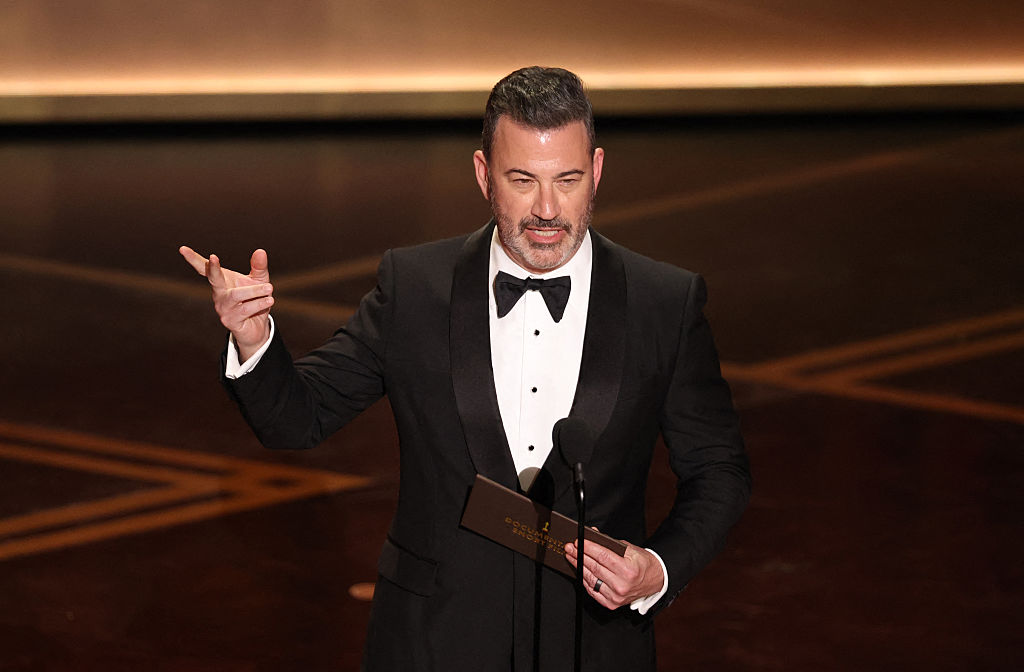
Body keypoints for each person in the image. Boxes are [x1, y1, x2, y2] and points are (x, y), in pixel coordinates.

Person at [180, 66, 750, 672]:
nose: (548, 209)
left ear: (598, 170)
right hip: (434, 641)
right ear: (484, 175)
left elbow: (719, 471)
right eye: (522, 180)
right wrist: (253, 338)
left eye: (568, 180)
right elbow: (298, 419)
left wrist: (658, 568)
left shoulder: (665, 302)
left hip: (595, 646)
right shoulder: (415, 287)